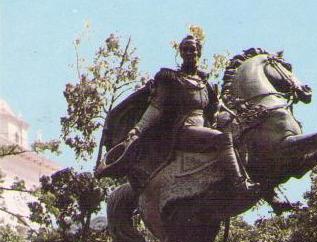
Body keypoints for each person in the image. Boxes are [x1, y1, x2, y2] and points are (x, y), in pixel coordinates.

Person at [102, 34, 255, 195]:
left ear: (199, 52)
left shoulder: (206, 84)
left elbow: (215, 111)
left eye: (193, 49)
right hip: (183, 130)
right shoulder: (171, 79)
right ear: (181, 53)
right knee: (222, 139)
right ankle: (240, 184)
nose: (190, 52)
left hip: (202, 129)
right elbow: (156, 108)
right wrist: (138, 129)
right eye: (186, 49)